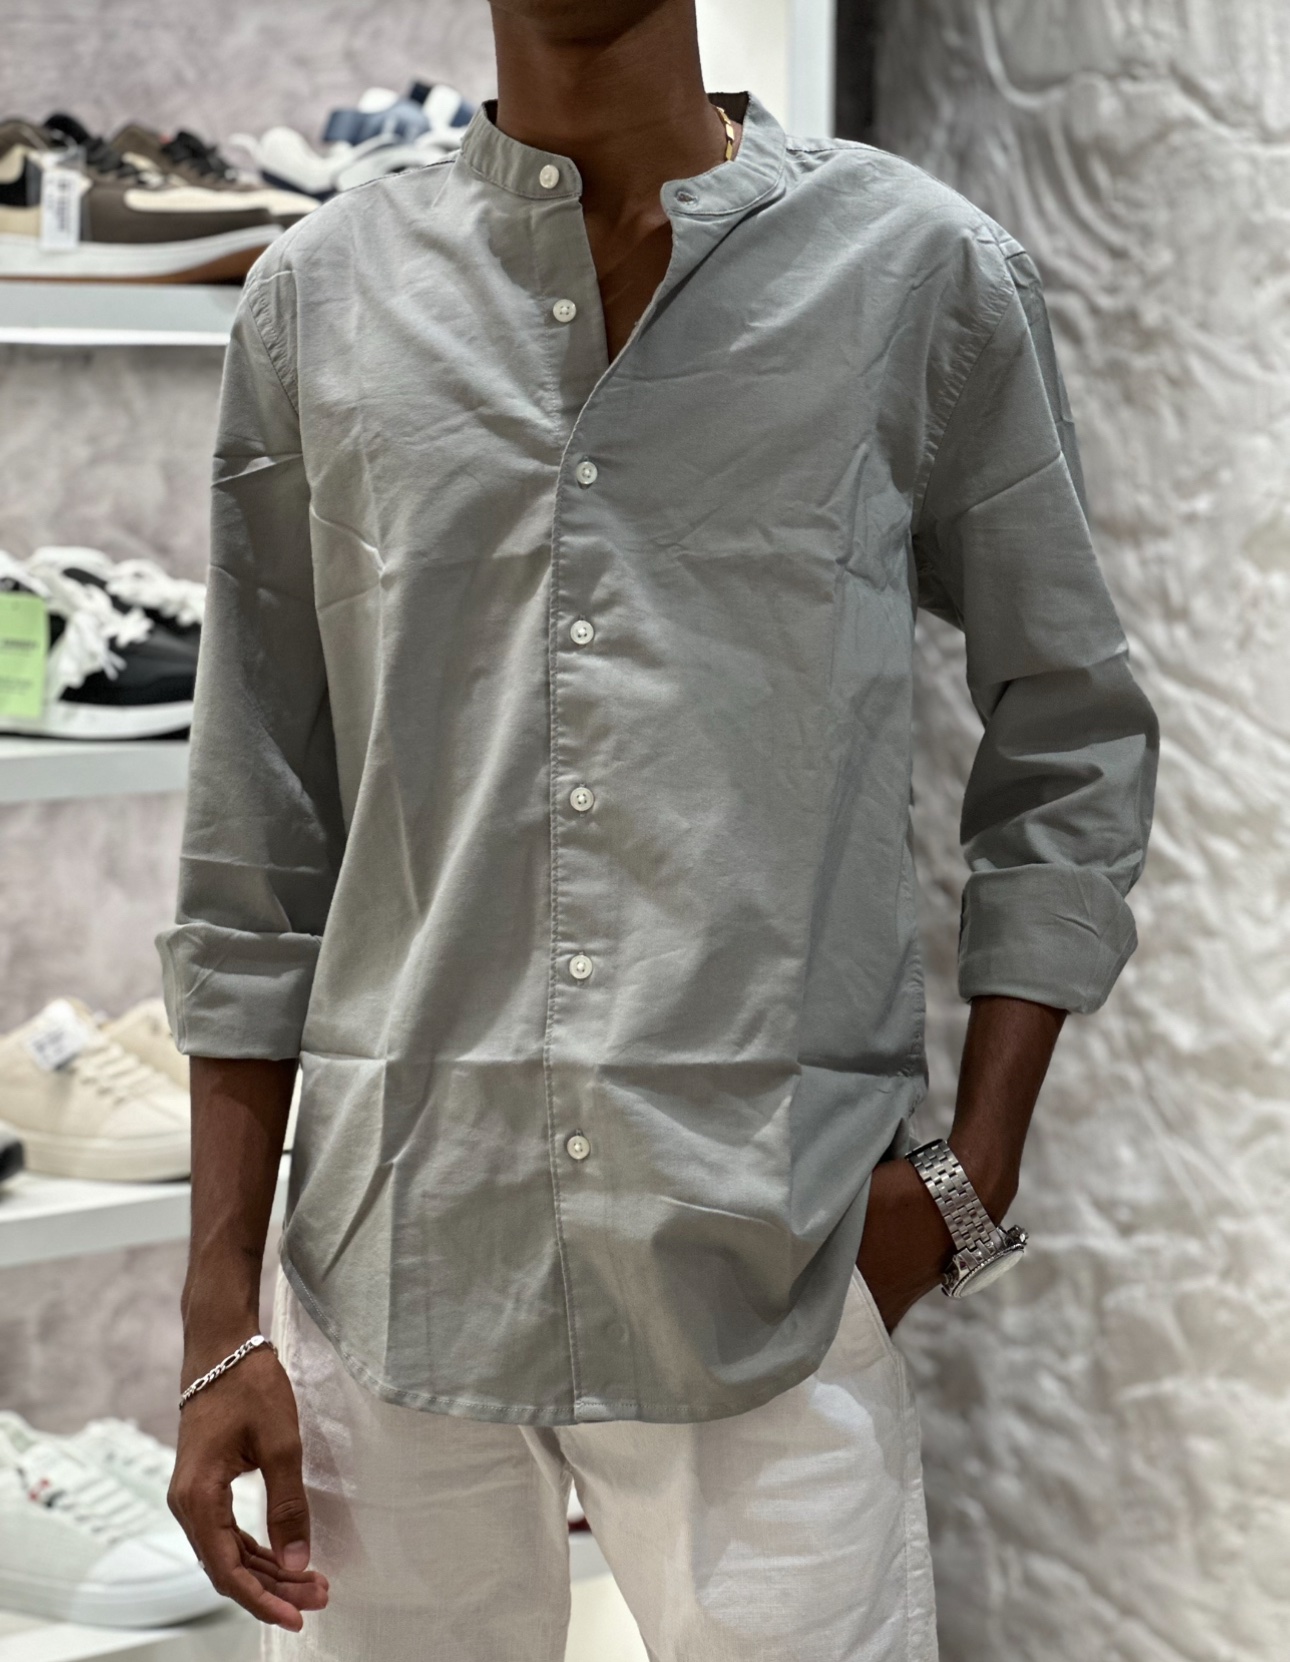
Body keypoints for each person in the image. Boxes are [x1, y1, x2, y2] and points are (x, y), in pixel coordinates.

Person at [159, 2, 1158, 1657]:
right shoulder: (319, 299)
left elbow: (1070, 724)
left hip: (768, 1261)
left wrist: (972, 1171)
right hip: (394, 1262)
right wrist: (217, 1310)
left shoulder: (916, 275)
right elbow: (258, 822)